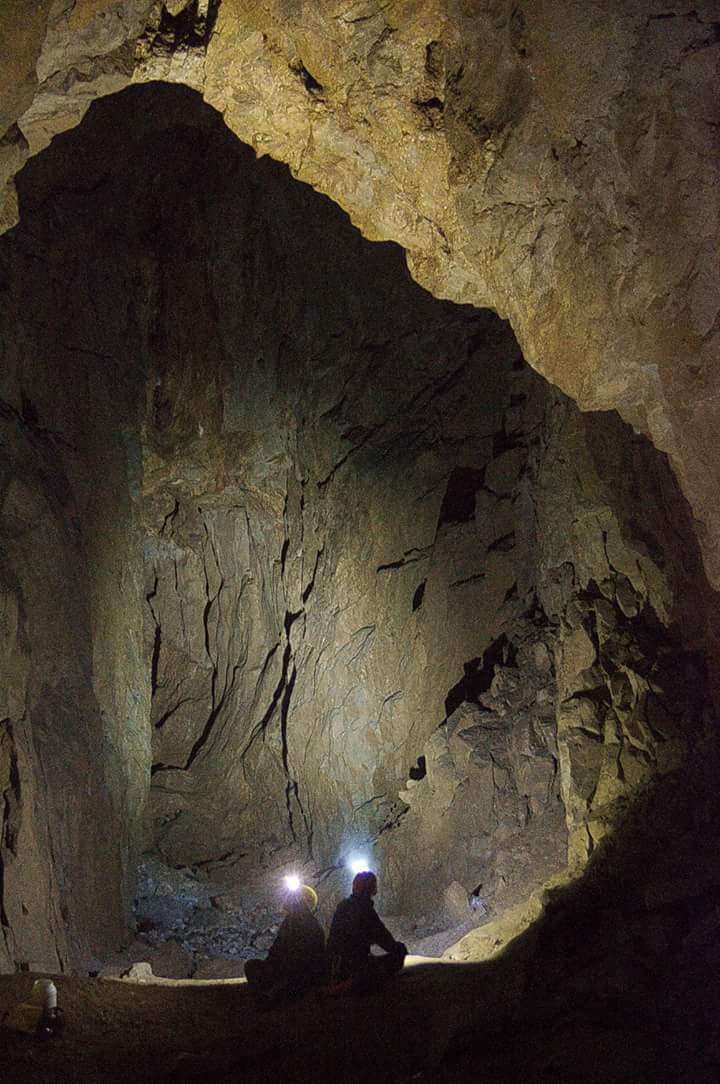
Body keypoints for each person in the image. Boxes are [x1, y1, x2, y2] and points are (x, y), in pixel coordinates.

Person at [244, 883, 326, 1007]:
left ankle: (272, 998)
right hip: (287, 969)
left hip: (298, 974)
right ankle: (270, 994)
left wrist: (277, 967)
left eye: (290, 897)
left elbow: (303, 958)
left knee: (284, 982)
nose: (286, 899)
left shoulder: (306, 925)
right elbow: (277, 949)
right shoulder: (291, 922)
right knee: (252, 966)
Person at [326, 871, 407, 993]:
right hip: (354, 965)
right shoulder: (365, 910)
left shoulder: (343, 906)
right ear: (372, 889)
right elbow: (384, 938)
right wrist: (399, 949)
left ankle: (344, 981)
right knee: (398, 952)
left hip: (335, 964)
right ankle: (352, 983)